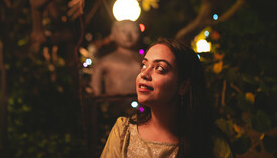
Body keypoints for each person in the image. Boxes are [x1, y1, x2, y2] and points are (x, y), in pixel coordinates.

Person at [100, 38, 233, 158]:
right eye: (144, 65)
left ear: (183, 86)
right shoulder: (124, 132)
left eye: (160, 68)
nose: (144, 74)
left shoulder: (212, 145)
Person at [90, 20, 141, 96]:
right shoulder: (105, 61)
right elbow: (95, 91)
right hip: (113, 104)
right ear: (113, 34)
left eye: (134, 31)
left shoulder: (143, 59)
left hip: (140, 104)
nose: (129, 35)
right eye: (123, 31)